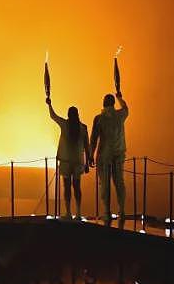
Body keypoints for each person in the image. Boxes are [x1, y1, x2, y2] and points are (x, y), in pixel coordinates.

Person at [90, 91, 129, 228]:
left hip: (104, 156)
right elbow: (126, 108)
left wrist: (90, 155)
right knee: (119, 182)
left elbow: (94, 139)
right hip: (119, 153)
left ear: (103, 103)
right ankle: (122, 211)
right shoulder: (120, 115)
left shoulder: (99, 119)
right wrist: (120, 97)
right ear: (113, 103)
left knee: (104, 185)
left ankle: (106, 212)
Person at [47, 97, 90, 219]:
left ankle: (68, 212)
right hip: (78, 162)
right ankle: (78, 212)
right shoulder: (83, 128)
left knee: (67, 187)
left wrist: (49, 104)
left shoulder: (65, 124)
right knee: (77, 187)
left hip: (66, 161)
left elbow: (53, 116)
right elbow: (87, 146)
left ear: (68, 115)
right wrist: (87, 163)